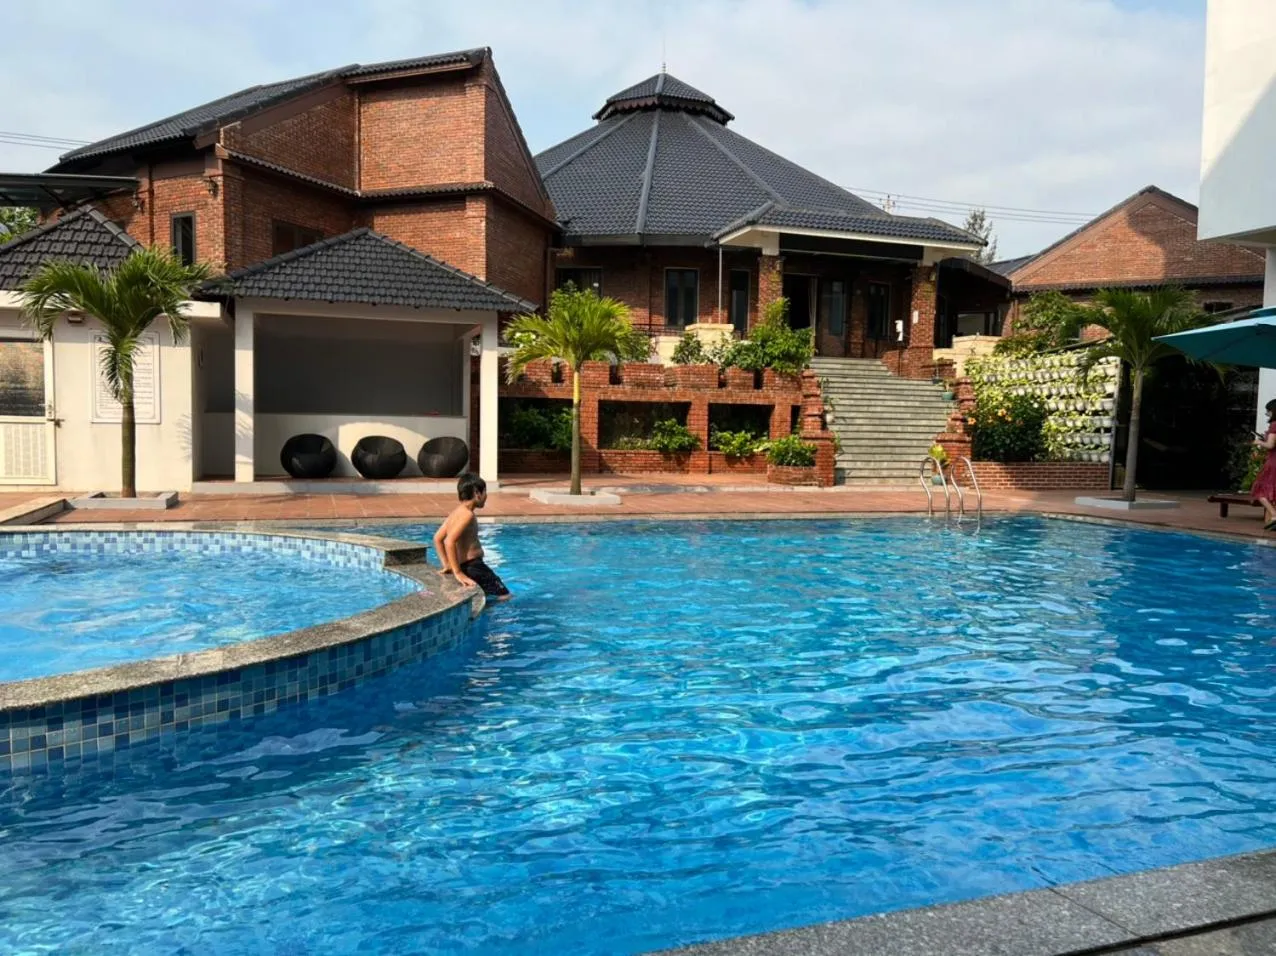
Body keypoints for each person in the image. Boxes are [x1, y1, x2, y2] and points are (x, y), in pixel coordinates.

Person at [433, 473, 511, 599]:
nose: (486, 496)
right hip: (474, 567)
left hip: (467, 566)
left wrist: (448, 565)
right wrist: (457, 573)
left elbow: (437, 538)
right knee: (505, 596)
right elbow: (449, 542)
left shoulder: (456, 512)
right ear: (477, 493)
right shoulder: (467, 515)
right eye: (485, 492)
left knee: (483, 596)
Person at [1253, 399, 1276, 532]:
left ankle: (1274, 514)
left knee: (1259, 489)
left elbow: (1271, 445)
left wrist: (1258, 442)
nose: (1267, 413)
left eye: (1269, 410)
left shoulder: (1274, 425)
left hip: (1273, 462)